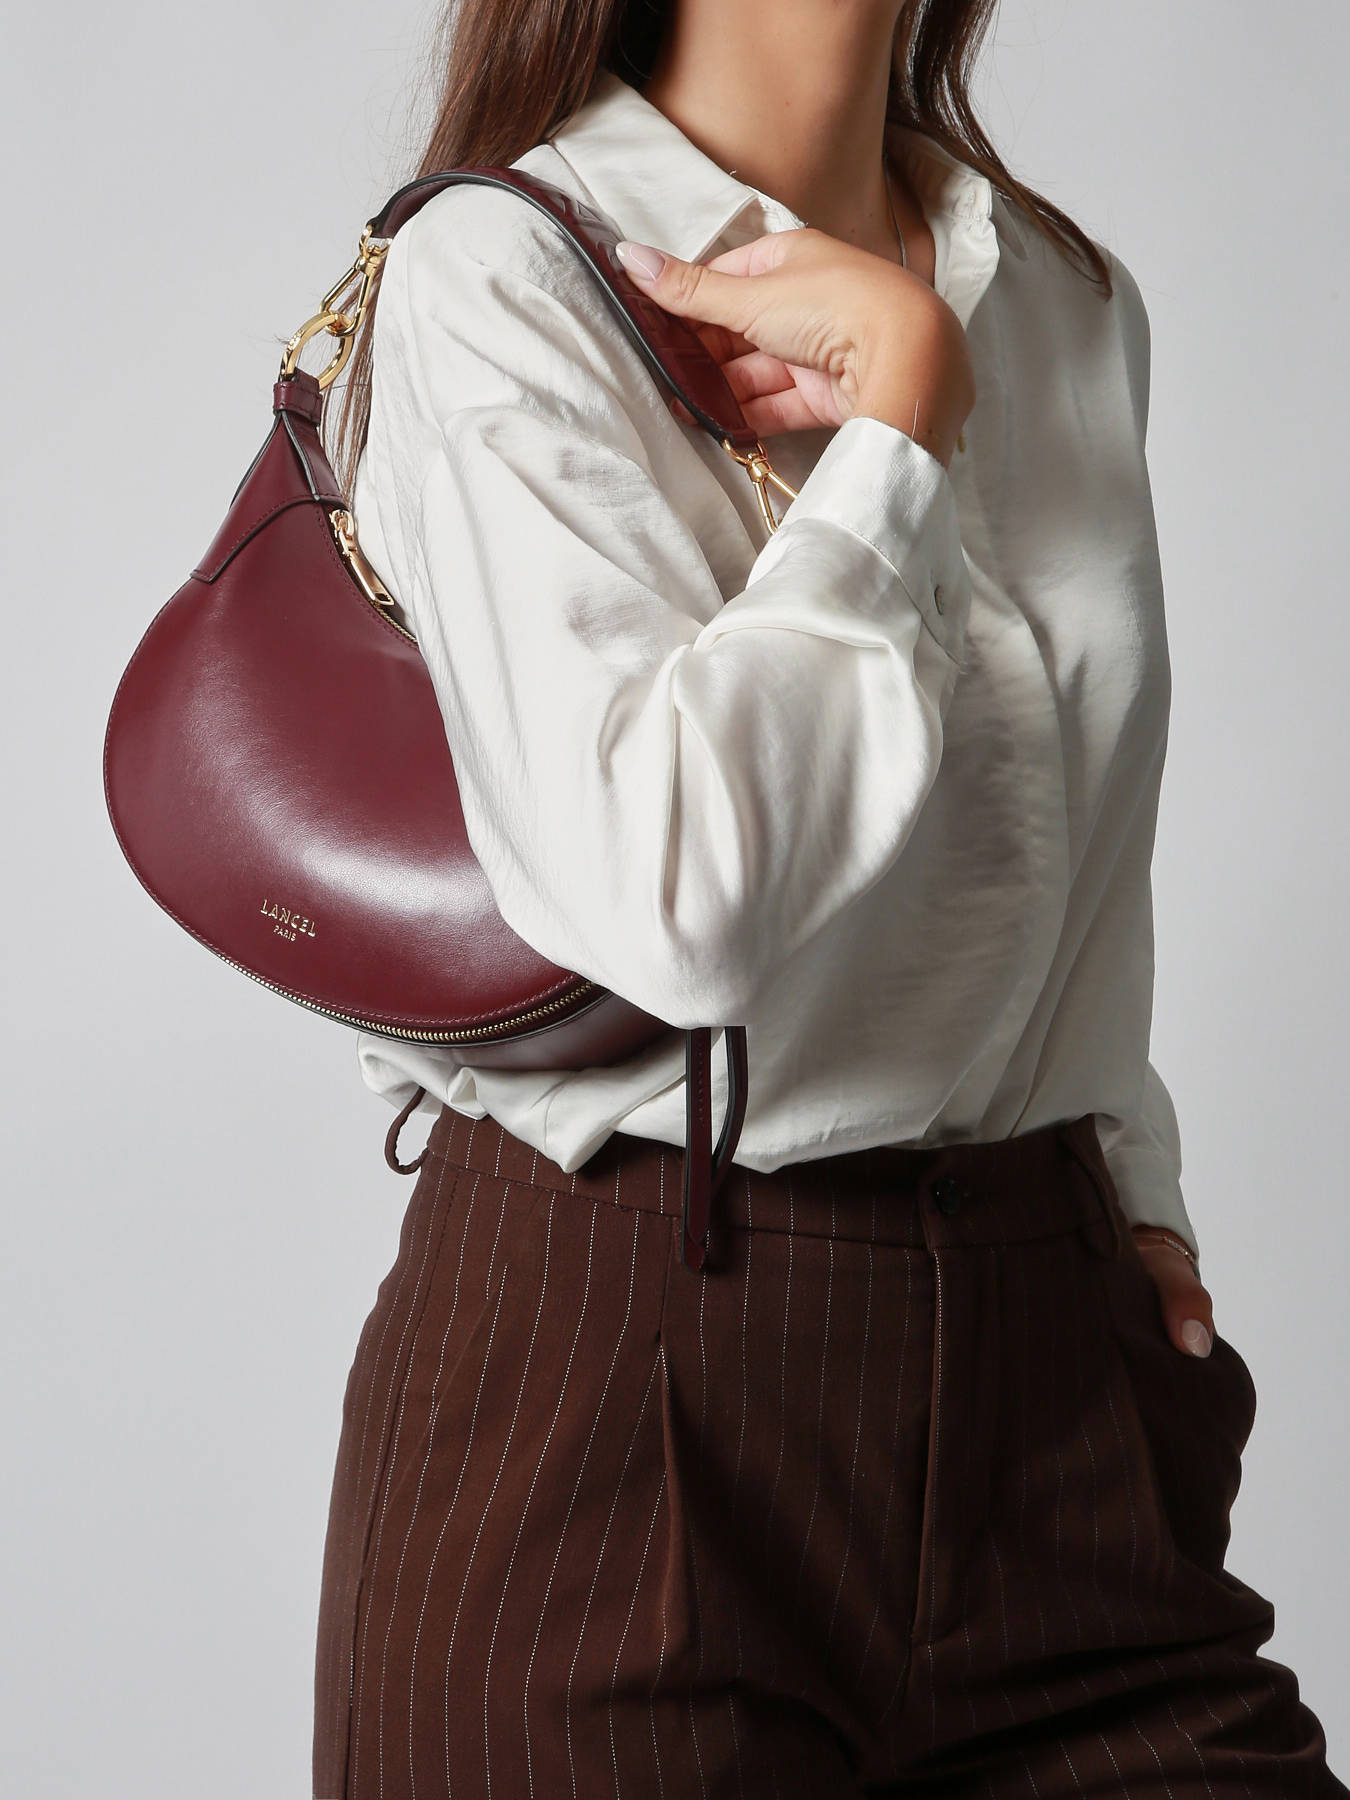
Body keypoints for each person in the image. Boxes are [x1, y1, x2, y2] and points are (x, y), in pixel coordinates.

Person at [310, 3, 1347, 1795]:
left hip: (1053, 1395)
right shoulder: (508, 272)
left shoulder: (1061, 297)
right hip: (622, 1389)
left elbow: (1066, 839)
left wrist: (1130, 1189)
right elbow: (671, 896)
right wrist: (897, 435)